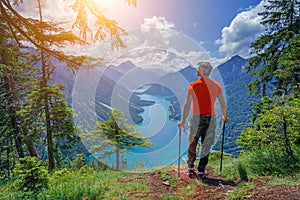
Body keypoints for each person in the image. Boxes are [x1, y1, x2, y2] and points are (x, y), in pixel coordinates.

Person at [178, 61, 228, 180]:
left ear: (201, 71)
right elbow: (223, 104)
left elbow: (187, 105)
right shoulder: (216, 86)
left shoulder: (193, 86)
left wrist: (182, 121)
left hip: (196, 118)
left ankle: (190, 168)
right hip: (211, 119)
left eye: (198, 68)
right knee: (206, 145)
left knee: (192, 143)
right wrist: (225, 116)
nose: (196, 70)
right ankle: (201, 170)